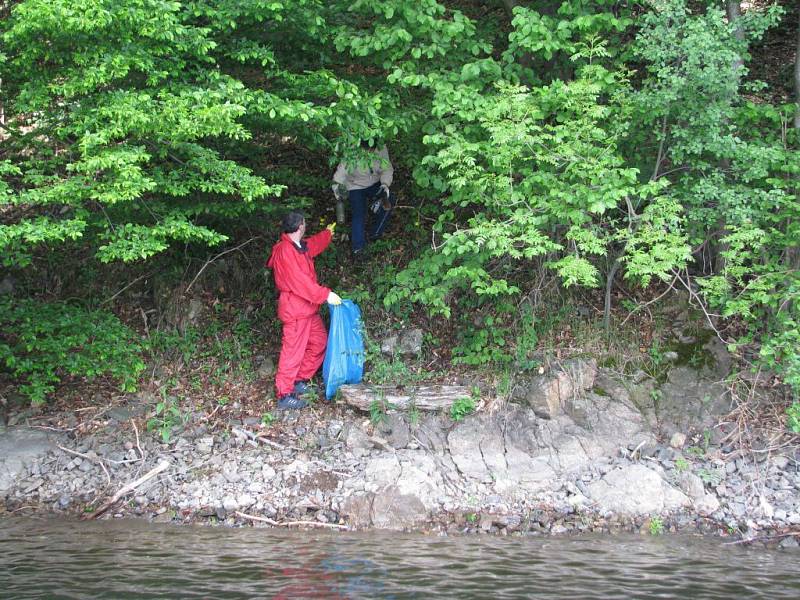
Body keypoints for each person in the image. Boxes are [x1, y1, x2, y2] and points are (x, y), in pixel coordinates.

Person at [266, 211, 342, 409]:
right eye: (305, 223)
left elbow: (313, 245)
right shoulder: (285, 251)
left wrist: (327, 233)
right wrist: (325, 294)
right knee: (292, 352)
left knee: (319, 342)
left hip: (307, 309)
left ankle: (299, 380)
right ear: (300, 226)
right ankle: (284, 394)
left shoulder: (298, 246)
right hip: (295, 310)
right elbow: (300, 283)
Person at [332, 141, 395, 257]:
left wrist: (385, 184)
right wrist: (337, 187)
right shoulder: (351, 149)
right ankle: (358, 249)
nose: (369, 152)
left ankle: (375, 234)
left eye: (371, 149)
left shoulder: (381, 148)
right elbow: (341, 172)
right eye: (366, 149)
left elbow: (387, 168)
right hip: (354, 185)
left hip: (375, 183)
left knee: (389, 200)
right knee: (359, 214)